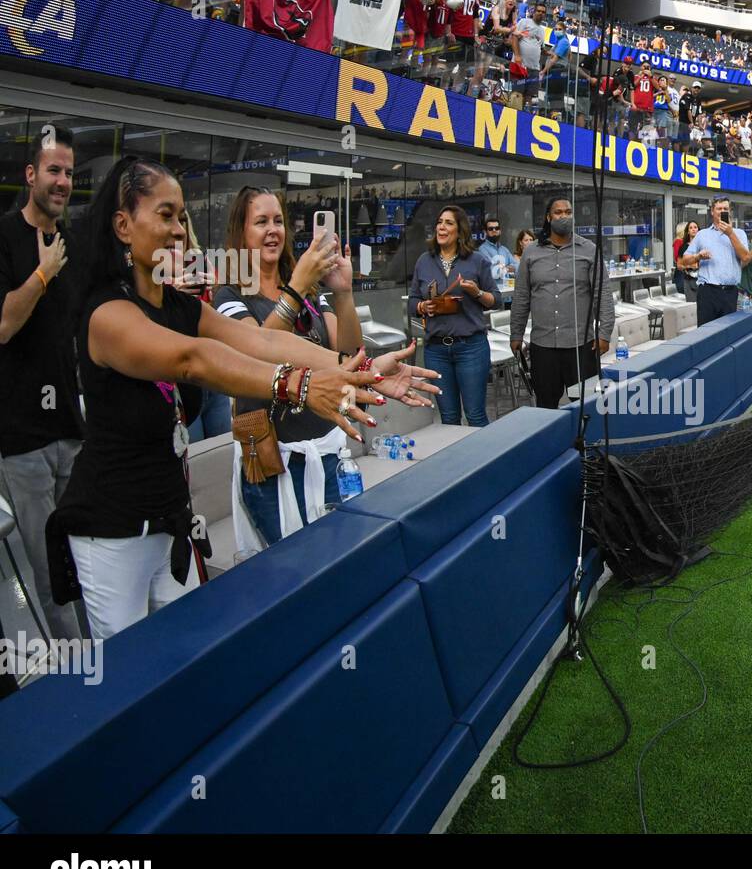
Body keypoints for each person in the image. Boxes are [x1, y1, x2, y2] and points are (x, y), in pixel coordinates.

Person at [49, 157, 434, 640]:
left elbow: (265, 343)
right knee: (127, 676)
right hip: (112, 530)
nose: (178, 230)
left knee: (187, 655)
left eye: (181, 217)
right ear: (123, 225)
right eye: (165, 215)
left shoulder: (178, 305)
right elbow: (194, 359)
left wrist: (360, 373)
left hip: (170, 521)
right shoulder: (106, 313)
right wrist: (297, 384)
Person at [213, 187, 407, 550]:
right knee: (294, 571)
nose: (273, 230)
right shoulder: (230, 296)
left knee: (338, 559)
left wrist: (343, 293)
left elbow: (347, 353)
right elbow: (257, 355)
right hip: (275, 465)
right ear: (241, 232)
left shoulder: (308, 294)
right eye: (260, 222)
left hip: (327, 452)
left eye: (278, 221)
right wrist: (298, 285)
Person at [0, 125, 84, 641]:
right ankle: (78, 673)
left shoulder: (70, 244)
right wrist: (42, 273)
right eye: (54, 170)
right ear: (31, 174)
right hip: (22, 439)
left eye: (70, 173)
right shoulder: (6, 237)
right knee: (49, 568)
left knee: (83, 552)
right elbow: (4, 325)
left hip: (70, 430)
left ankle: (104, 656)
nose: (63, 181)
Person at [510, 197, 613, 408]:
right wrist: (516, 334)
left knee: (586, 406)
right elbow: (521, 296)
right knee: (546, 406)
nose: (564, 216)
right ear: (548, 217)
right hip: (543, 346)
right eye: (558, 212)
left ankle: (585, 442)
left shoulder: (589, 249)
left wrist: (604, 334)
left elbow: (602, 294)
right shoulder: (531, 252)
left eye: (568, 212)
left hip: (581, 346)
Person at [408, 205, 500, 426]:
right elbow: (412, 302)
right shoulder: (424, 260)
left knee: (475, 415)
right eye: (440, 222)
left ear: (460, 231)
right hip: (436, 351)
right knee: (448, 419)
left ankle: (483, 460)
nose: (442, 227)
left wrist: (476, 292)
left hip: (471, 347)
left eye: (449, 223)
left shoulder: (477, 261)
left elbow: (496, 300)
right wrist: (423, 307)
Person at [678, 195, 752, 325]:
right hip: (707, 292)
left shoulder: (739, 233)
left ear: (729, 211)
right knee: (705, 334)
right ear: (712, 211)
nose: (722, 211)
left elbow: (745, 257)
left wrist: (730, 233)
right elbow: (684, 260)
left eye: (725, 208)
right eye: (719, 208)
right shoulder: (702, 234)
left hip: (730, 292)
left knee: (729, 335)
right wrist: (698, 256)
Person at [450, 0, 486, 96]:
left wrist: (476, 35)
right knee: (450, 65)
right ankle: (442, 91)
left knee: (464, 67)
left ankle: (455, 93)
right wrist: (449, 31)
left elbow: (475, 14)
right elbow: (449, 9)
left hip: (469, 34)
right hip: (455, 32)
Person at [510, 1, 547, 107]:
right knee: (517, 95)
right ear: (533, 12)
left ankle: (524, 120)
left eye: (543, 12)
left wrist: (548, 52)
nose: (541, 13)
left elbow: (540, 46)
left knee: (529, 97)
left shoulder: (542, 31)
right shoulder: (524, 22)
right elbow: (514, 37)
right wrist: (517, 56)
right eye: (538, 11)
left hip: (534, 69)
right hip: (520, 65)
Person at [476, 216, 516, 289]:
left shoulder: (504, 249)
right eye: (491, 229)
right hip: (492, 294)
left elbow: (517, 267)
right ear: (485, 232)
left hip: (508, 294)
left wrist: (503, 268)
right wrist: (508, 268)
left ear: (500, 231)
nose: (494, 230)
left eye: (497, 228)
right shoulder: (482, 249)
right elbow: (492, 271)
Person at [672, 220, 700, 301]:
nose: (693, 229)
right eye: (690, 228)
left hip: (702, 280)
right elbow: (679, 264)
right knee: (691, 305)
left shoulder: (703, 245)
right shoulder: (683, 246)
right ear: (687, 231)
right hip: (688, 279)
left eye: (695, 227)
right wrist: (690, 265)